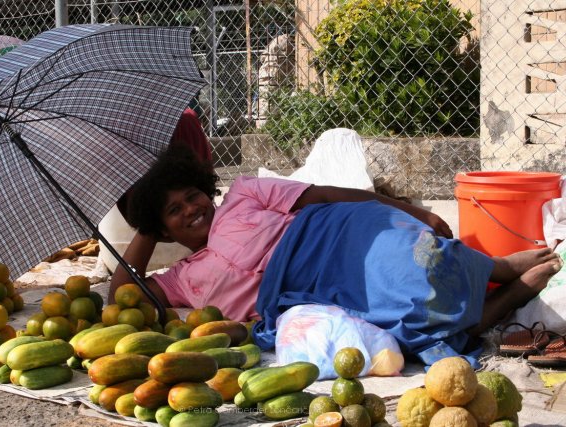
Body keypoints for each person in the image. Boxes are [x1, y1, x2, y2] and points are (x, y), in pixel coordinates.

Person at [109, 144, 563, 365]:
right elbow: (121, 298)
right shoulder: (182, 279)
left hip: (334, 235)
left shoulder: (245, 194)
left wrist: (408, 210)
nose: (192, 209)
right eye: (173, 210)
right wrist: (145, 229)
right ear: (161, 225)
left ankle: (501, 267)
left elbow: (325, 194)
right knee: (402, 323)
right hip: (312, 291)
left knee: (411, 255)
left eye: (192, 195)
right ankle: (512, 293)